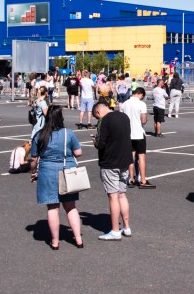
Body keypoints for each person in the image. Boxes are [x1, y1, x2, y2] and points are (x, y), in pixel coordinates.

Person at [30, 106, 84, 249]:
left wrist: (34, 172)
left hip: (47, 171)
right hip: (67, 170)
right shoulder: (68, 133)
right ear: (61, 118)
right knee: (71, 206)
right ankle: (78, 238)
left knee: (52, 207)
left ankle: (55, 241)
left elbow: (34, 158)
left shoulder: (40, 135)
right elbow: (78, 152)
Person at [92, 101, 134, 241]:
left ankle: (115, 230)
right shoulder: (124, 116)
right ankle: (126, 227)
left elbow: (100, 144)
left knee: (113, 196)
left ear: (98, 112)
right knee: (122, 194)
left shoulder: (104, 121)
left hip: (110, 161)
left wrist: (95, 141)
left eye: (96, 117)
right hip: (125, 160)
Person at [120, 87, 155, 189]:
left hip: (128, 133)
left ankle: (130, 179)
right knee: (141, 157)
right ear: (140, 94)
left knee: (130, 157)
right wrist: (145, 118)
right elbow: (143, 120)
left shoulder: (125, 104)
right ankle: (143, 180)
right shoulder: (141, 104)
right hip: (139, 133)